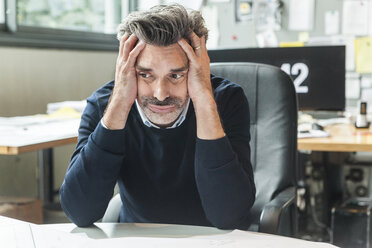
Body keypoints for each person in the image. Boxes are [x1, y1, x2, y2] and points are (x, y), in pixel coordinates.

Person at [60, 3, 255, 230]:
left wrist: (203, 99)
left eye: (175, 75)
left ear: (196, 69)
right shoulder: (105, 105)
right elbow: (79, 212)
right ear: (128, 69)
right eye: (145, 75)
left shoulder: (227, 100)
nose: (161, 94)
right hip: (137, 240)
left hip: (214, 241)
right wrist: (120, 103)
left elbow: (228, 215)